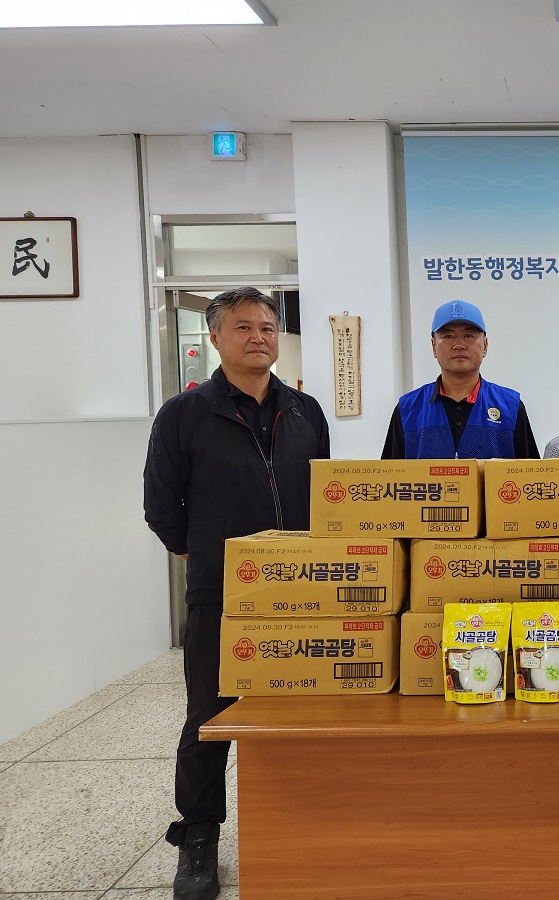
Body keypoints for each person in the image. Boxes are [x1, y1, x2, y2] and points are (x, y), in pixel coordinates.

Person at [144, 287, 330, 900]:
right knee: (209, 713)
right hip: (221, 591)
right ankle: (198, 837)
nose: (259, 337)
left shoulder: (305, 411)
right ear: (216, 337)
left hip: (303, 589)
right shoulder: (184, 413)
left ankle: (305, 820)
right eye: (244, 326)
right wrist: (202, 552)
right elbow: (160, 505)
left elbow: (325, 498)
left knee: (302, 706)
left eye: (268, 326)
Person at [382, 299, 538, 459]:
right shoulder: (407, 409)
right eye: (448, 336)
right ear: (434, 346)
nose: (459, 344)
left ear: (485, 345)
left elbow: (530, 473)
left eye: (468, 335)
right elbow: (389, 473)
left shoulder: (510, 407)